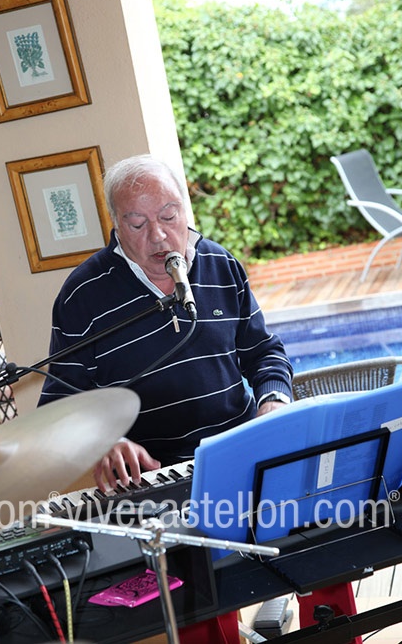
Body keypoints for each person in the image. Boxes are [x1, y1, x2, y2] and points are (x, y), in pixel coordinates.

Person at [38, 153, 293, 642]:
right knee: (201, 611)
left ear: (185, 210)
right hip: (157, 488)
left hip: (241, 458)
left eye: (170, 216)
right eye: (138, 224)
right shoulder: (82, 296)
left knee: (324, 545)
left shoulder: (219, 264)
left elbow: (264, 351)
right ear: (116, 226)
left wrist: (273, 403)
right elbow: (57, 409)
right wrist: (103, 440)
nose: (159, 237)